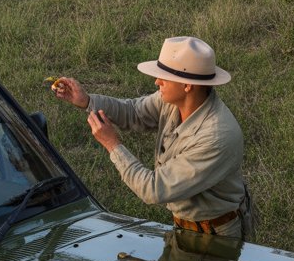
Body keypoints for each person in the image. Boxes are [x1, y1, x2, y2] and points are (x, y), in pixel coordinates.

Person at [51, 36, 250, 239]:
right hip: (188, 226)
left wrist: (113, 144)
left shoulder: (215, 137)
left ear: (187, 85)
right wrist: (87, 101)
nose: (157, 81)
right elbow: (133, 112)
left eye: (164, 77)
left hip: (216, 236)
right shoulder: (173, 101)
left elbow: (154, 189)